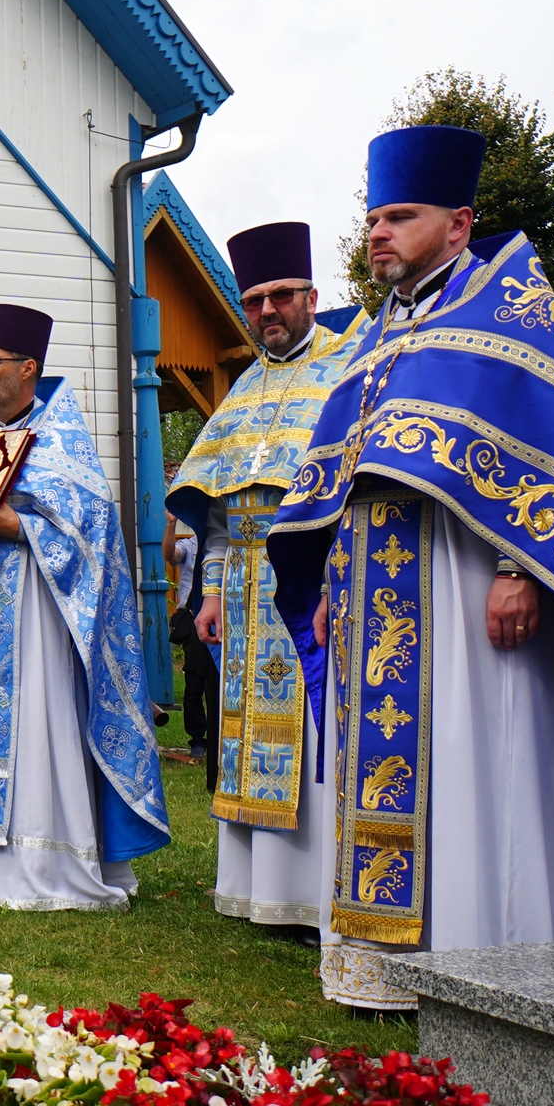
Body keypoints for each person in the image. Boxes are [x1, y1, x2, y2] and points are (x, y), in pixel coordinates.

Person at [269, 126, 554, 1010]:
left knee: (476, 764)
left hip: (471, 600)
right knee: (391, 768)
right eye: (374, 216)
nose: (378, 232)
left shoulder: (513, 313)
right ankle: (380, 967)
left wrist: (519, 564)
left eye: (400, 216)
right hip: (377, 603)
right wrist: (330, 592)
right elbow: (343, 475)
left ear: (458, 223)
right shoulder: (378, 335)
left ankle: (483, 960)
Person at [0, 303, 169, 911]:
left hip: (37, 617)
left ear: (28, 367)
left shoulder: (63, 444)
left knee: (35, 729)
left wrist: (19, 526)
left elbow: (93, 532)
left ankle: (41, 860)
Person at [168, 222, 356, 937]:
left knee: (310, 732)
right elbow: (216, 510)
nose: (268, 310)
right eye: (254, 300)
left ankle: (311, 894)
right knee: (245, 733)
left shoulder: (346, 370)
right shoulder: (245, 385)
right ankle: (255, 891)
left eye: (281, 295)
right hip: (243, 590)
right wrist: (211, 588)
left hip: (307, 579)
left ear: (311, 295)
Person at [161, 512, 212, 767]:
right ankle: (198, 741)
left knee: (218, 683)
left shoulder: (224, 544)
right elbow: (170, 556)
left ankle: (219, 736)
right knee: (194, 683)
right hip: (192, 619)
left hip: (222, 621)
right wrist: (171, 525)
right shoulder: (190, 544)